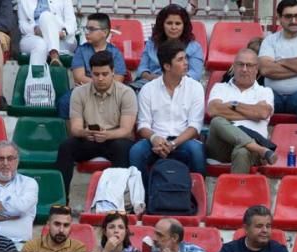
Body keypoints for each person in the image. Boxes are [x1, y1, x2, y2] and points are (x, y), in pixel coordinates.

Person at [56, 50, 136, 192]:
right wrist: (84, 132)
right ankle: (62, 199)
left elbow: (126, 130)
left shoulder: (126, 92)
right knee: (66, 147)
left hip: (115, 138)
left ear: (113, 72)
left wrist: (108, 135)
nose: (100, 78)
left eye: (104, 74)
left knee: (122, 148)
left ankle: (115, 198)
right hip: (89, 138)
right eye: (96, 74)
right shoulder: (79, 92)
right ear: (90, 74)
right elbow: (75, 128)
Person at [130, 40, 206, 187]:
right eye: (180, 59)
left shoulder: (195, 88)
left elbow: (195, 126)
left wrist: (172, 144)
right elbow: (143, 124)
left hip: (183, 141)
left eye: (186, 58)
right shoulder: (148, 89)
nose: (186, 63)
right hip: (156, 141)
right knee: (136, 151)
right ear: (166, 66)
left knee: (197, 151)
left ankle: (197, 198)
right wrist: (154, 138)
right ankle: (143, 200)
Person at [206, 48, 277, 173]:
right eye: (240, 64)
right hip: (221, 147)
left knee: (242, 150)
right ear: (233, 67)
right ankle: (260, 149)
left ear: (256, 69)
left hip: (251, 148)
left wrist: (234, 104)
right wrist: (251, 113)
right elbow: (213, 110)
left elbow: (262, 113)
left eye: (249, 65)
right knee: (217, 121)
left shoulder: (265, 91)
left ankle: (236, 192)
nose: (244, 69)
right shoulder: (220, 88)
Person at [258, 0, 297, 126]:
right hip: (274, 95)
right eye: (288, 16)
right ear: (279, 18)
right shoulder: (269, 41)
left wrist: (281, 61)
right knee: (261, 99)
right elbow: (265, 70)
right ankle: (261, 143)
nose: (294, 20)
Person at [133, 4, 205, 90]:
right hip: (151, 84)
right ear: (162, 25)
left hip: (182, 87)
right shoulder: (151, 44)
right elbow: (142, 69)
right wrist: (154, 79)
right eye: (169, 23)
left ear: (184, 26)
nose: (173, 27)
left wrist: (170, 81)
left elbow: (195, 74)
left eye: (178, 24)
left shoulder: (194, 47)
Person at [18, 204, 85, 252]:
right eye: (57, 224)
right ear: (48, 224)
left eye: (66, 225)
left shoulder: (78, 247)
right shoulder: (31, 246)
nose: (61, 230)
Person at [70, 12, 126, 88]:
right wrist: (103, 84)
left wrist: (95, 85)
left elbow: (118, 81)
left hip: (109, 95)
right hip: (85, 92)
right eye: (86, 29)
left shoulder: (115, 53)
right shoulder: (81, 50)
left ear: (105, 32)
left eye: (91, 29)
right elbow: (79, 78)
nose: (86, 32)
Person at [17, 0, 76, 67]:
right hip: (33, 36)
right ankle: (52, 61)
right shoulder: (22, 1)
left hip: (60, 38)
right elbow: (22, 25)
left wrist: (63, 32)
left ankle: (53, 55)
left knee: (45, 15)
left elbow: (71, 21)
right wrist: (34, 29)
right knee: (40, 44)